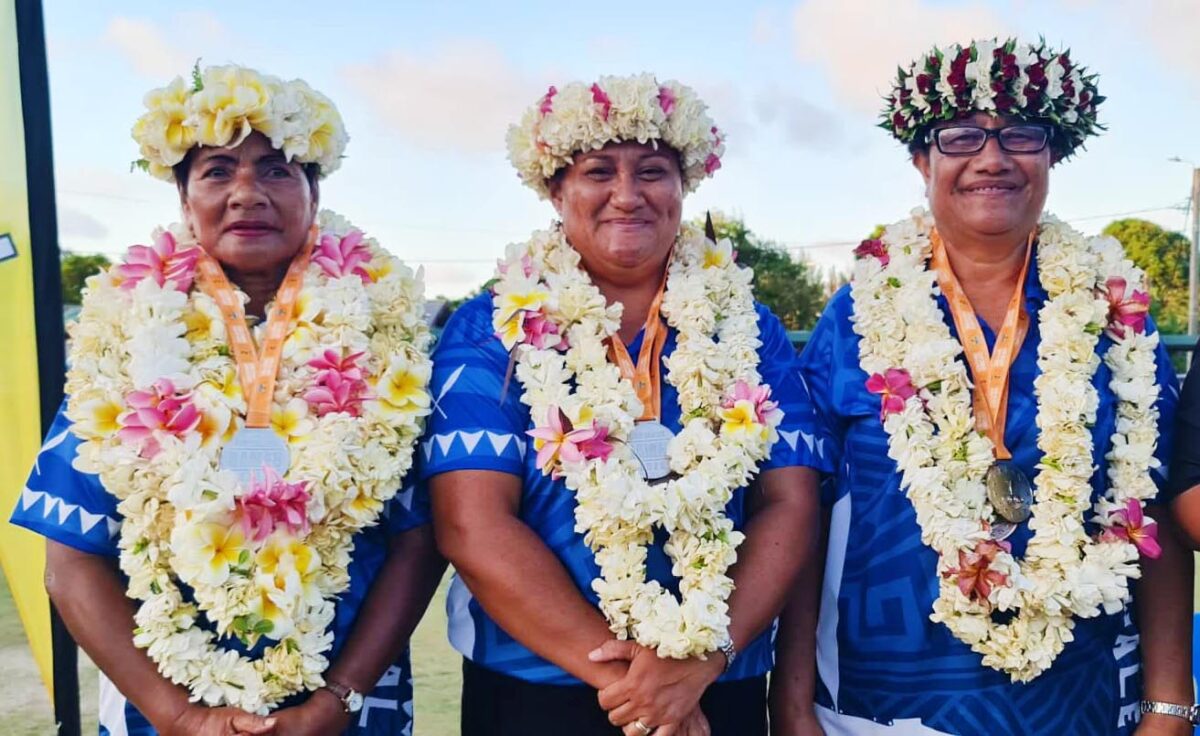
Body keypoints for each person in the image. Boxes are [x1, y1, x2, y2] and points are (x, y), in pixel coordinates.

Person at [769, 39, 1194, 736]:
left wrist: (1170, 704)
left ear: (1052, 154)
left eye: (1020, 135)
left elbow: (1156, 511)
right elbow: (802, 516)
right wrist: (790, 707)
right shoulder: (856, 318)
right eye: (961, 136)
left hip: (1081, 701)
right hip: (879, 705)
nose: (992, 158)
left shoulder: (1116, 312)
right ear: (922, 161)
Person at [10, 64, 444, 736]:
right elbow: (70, 563)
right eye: (217, 171)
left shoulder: (388, 339)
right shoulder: (125, 342)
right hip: (163, 706)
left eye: (276, 169)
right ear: (184, 201)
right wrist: (180, 715)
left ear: (314, 191)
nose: (247, 193)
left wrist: (339, 699)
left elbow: (417, 543)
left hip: (350, 707)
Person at [419, 74, 829, 736]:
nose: (627, 194)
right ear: (556, 190)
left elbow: (791, 501)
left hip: (718, 683)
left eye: (653, 171)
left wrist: (702, 662)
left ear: (684, 185)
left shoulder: (750, 328)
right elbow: (473, 524)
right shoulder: (490, 327)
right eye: (598, 171)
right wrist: (640, 690)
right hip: (535, 691)